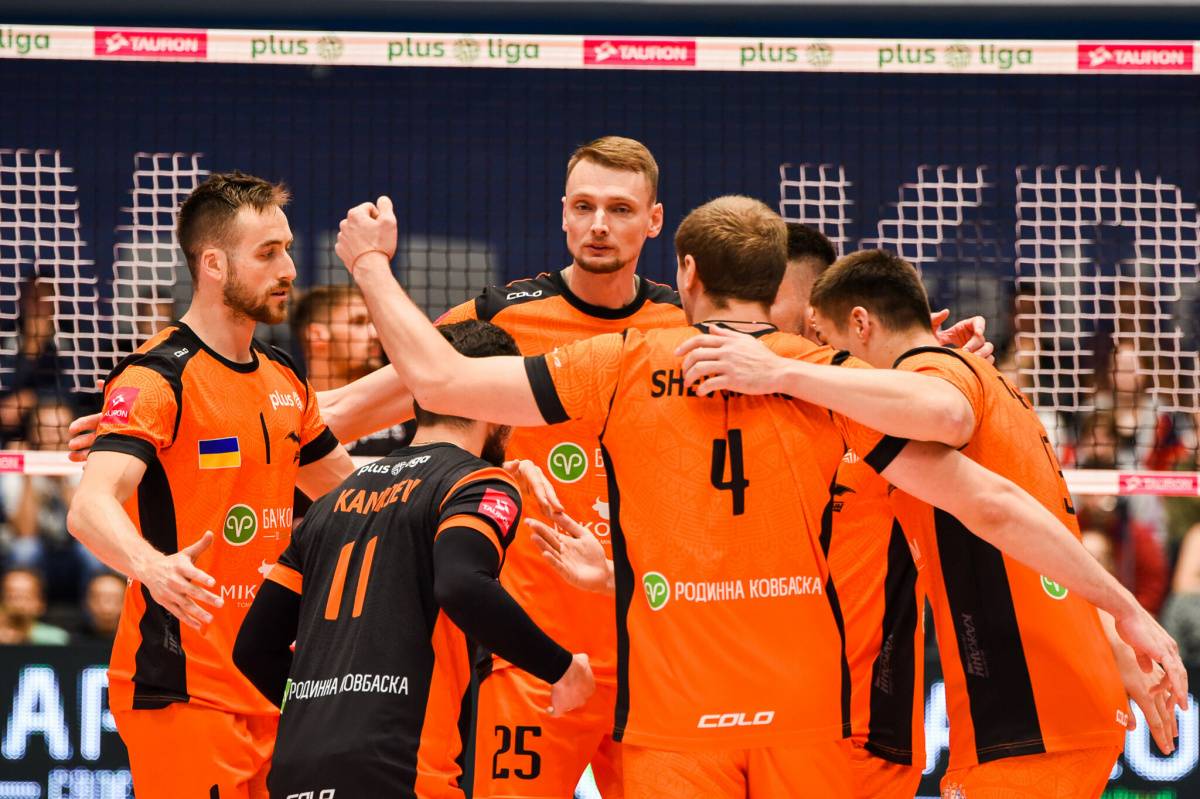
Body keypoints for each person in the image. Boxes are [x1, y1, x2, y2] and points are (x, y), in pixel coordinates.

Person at [333, 192, 1183, 797]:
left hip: (676, 725)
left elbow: (437, 378)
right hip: (806, 728)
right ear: (781, 285)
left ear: (685, 272)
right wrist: (1126, 611)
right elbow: (992, 504)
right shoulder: (835, 383)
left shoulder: (624, 362)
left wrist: (370, 264)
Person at [678, 247, 1187, 797]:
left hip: (1030, 716)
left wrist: (779, 371)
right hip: (1046, 713)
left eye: (826, 343)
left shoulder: (941, 374)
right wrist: (1116, 628)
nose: (826, 359)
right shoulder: (978, 382)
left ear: (861, 324)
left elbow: (965, 449)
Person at [66, 171, 357, 799]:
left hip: (273, 683)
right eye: (267, 253)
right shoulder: (156, 377)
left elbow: (354, 493)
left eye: (286, 249)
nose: (288, 269)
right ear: (214, 264)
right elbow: (89, 507)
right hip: (184, 688)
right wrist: (152, 566)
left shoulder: (285, 378)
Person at [232, 319, 595, 798]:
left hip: (299, 769)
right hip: (401, 767)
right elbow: (462, 585)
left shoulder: (333, 501)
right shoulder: (475, 482)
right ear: (498, 400)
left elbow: (253, 649)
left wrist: (316, 706)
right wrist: (561, 668)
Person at [0, 566, 69, 644]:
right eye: (12, 596)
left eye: (26, 597)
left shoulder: (56, 638)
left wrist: (24, 639)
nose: (19, 604)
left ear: (41, 604)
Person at [76, 571, 126, 643]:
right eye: (98, 598)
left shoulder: (138, 641)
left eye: (115, 599)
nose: (106, 608)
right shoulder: (70, 639)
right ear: (86, 602)